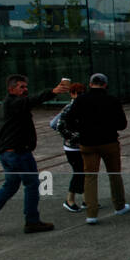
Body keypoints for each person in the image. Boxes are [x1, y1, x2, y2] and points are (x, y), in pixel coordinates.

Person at [0, 74, 71, 233]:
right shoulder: (14, 103)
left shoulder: (7, 105)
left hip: (8, 153)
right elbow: (32, 100)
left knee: (10, 186)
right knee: (31, 185)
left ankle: (32, 220)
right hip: (19, 153)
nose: (25, 90)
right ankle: (32, 221)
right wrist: (53, 91)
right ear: (11, 89)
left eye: (26, 86)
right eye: (21, 87)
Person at [64, 72, 130, 225]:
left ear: (90, 84)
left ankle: (91, 213)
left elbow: (69, 121)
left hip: (88, 143)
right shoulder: (112, 100)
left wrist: (81, 130)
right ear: (105, 85)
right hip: (109, 142)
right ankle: (119, 206)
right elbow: (122, 124)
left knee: (90, 177)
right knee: (114, 174)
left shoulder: (80, 100)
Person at [50, 81, 87, 212]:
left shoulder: (80, 106)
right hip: (72, 147)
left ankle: (85, 199)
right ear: (72, 94)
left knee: (83, 172)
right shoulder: (69, 108)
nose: (80, 95)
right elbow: (56, 125)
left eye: (82, 92)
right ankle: (70, 199)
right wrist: (73, 137)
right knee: (79, 172)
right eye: (78, 93)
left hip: (78, 146)